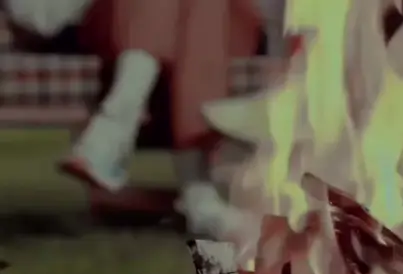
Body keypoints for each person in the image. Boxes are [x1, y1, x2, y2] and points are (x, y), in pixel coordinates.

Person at [7, 0, 289, 240]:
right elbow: (39, 16)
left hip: (216, 20)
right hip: (85, 18)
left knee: (204, 7)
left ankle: (114, 129)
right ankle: (199, 194)